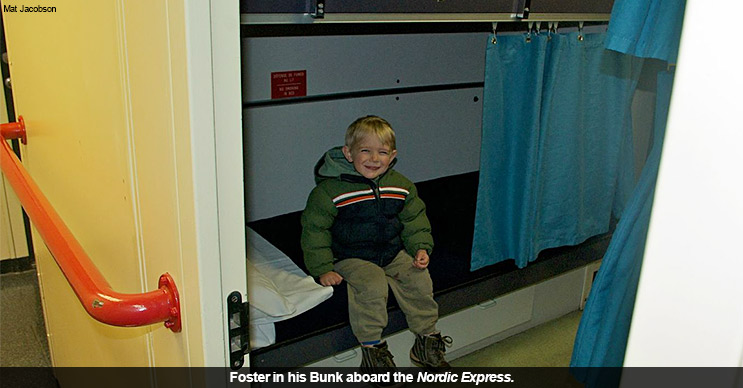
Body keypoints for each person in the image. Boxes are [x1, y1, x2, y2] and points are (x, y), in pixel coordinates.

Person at [300, 115, 451, 373]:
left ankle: (426, 342)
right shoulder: (330, 191)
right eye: (365, 151)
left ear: (392, 156)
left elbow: (414, 219)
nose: (374, 159)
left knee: (418, 277)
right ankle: (373, 352)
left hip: (391, 252)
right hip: (351, 256)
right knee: (372, 283)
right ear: (349, 153)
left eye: (382, 152)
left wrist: (421, 248)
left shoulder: (400, 185)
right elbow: (315, 230)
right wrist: (323, 268)